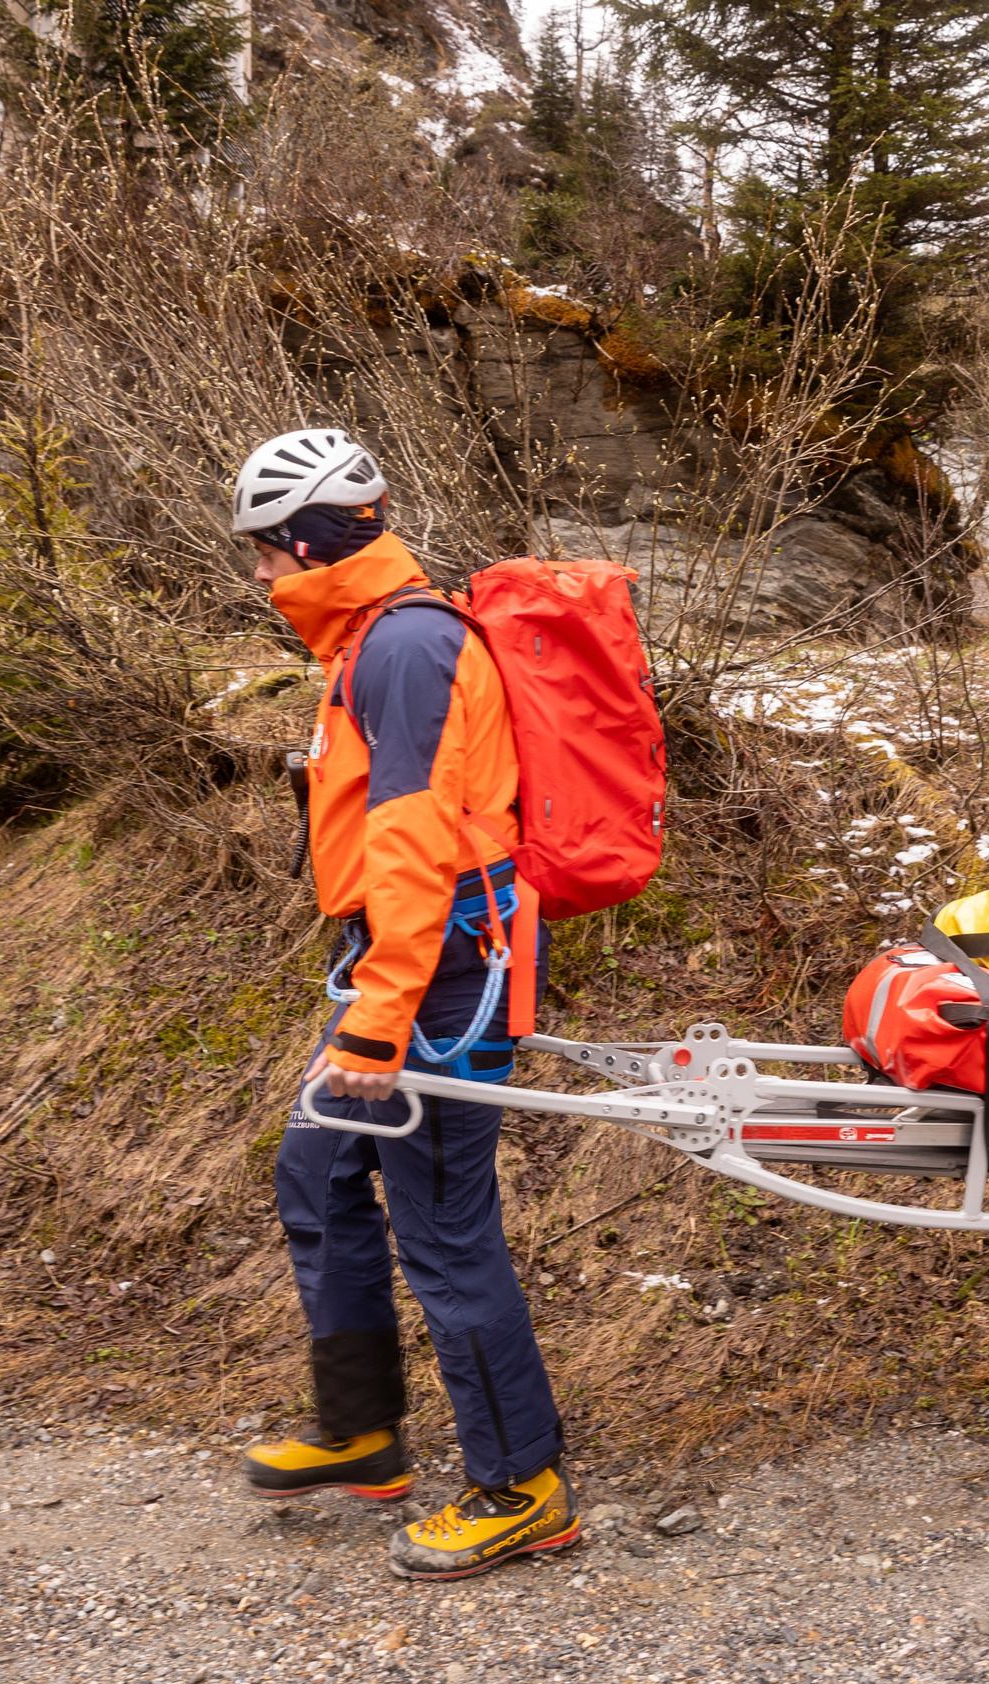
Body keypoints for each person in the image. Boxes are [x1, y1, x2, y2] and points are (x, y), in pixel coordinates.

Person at [229, 428, 577, 1581]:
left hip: (439, 981)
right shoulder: (371, 640)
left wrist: (380, 1019)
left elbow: (415, 837)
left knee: (442, 1228)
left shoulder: (407, 649)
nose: (262, 580)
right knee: (317, 1173)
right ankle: (363, 1430)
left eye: (267, 557)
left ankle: (521, 1487)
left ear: (307, 544)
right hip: (404, 965)